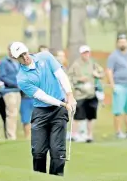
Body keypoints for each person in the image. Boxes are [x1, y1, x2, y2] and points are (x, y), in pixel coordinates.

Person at [10, 41, 77, 177]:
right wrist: (64, 104)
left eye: (25, 53)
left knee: (58, 151)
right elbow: (42, 96)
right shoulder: (22, 78)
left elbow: (61, 75)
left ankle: (56, 178)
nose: (25, 57)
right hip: (41, 112)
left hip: (58, 112)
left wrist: (70, 96)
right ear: (16, 59)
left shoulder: (45, 57)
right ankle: (39, 178)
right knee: (38, 151)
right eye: (21, 56)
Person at [68, 45, 104, 143]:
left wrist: (97, 75)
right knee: (77, 116)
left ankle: (89, 135)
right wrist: (79, 79)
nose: (86, 54)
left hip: (91, 94)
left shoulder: (93, 63)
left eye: (88, 52)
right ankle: (74, 135)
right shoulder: (76, 64)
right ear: (81, 54)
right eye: (84, 53)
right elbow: (69, 78)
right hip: (80, 94)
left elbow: (101, 73)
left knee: (90, 117)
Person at [0, 44, 21, 140]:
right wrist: (14, 84)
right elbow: (2, 77)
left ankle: (13, 135)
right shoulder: (4, 62)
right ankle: (11, 136)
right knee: (11, 113)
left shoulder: (17, 62)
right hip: (9, 91)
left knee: (15, 114)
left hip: (17, 91)